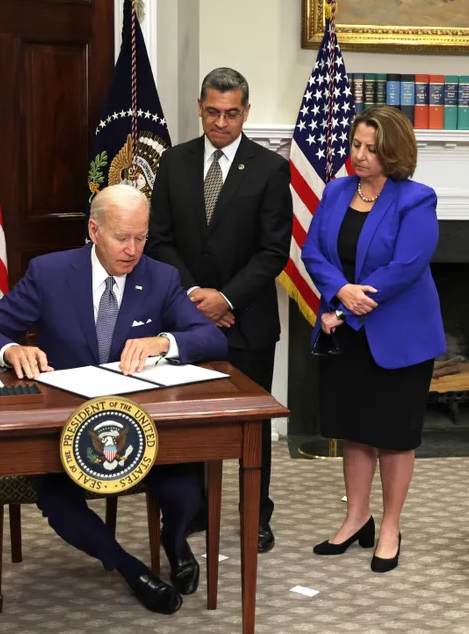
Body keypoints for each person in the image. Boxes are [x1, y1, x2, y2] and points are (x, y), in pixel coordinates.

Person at [0, 184, 227, 615]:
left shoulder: (160, 277)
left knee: (185, 479)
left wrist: (163, 341)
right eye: (122, 237)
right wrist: (11, 351)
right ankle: (129, 568)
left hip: (141, 426)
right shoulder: (49, 273)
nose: (133, 249)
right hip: (66, 429)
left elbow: (211, 338)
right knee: (57, 500)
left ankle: (175, 541)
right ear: (94, 231)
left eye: (141, 238)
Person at [147, 67, 291, 552]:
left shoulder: (270, 169)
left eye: (232, 114)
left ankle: (256, 512)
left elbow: (274, 252)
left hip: (247, 320)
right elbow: (159, 240)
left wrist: (225, 298)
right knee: (190, 421)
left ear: (246, 112)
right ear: (199, 107)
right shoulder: (173, 162)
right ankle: (194, 509)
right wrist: (195, 298)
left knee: (252, 421)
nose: (222, 123)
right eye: (213, 112)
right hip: (186, 322)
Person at [300, 105, 445, 573]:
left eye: (370, 149)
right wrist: (338, 292)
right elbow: (313, 251)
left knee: (394, 438)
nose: (358, 156)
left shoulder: (416, 198)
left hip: (397, 335)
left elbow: (407, 266)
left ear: (394, 152)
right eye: (355, 145)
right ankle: (356, 517)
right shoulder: (337, 189)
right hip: (345, 330)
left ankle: (389, 527)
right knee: (355, 432)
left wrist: (348, 304)